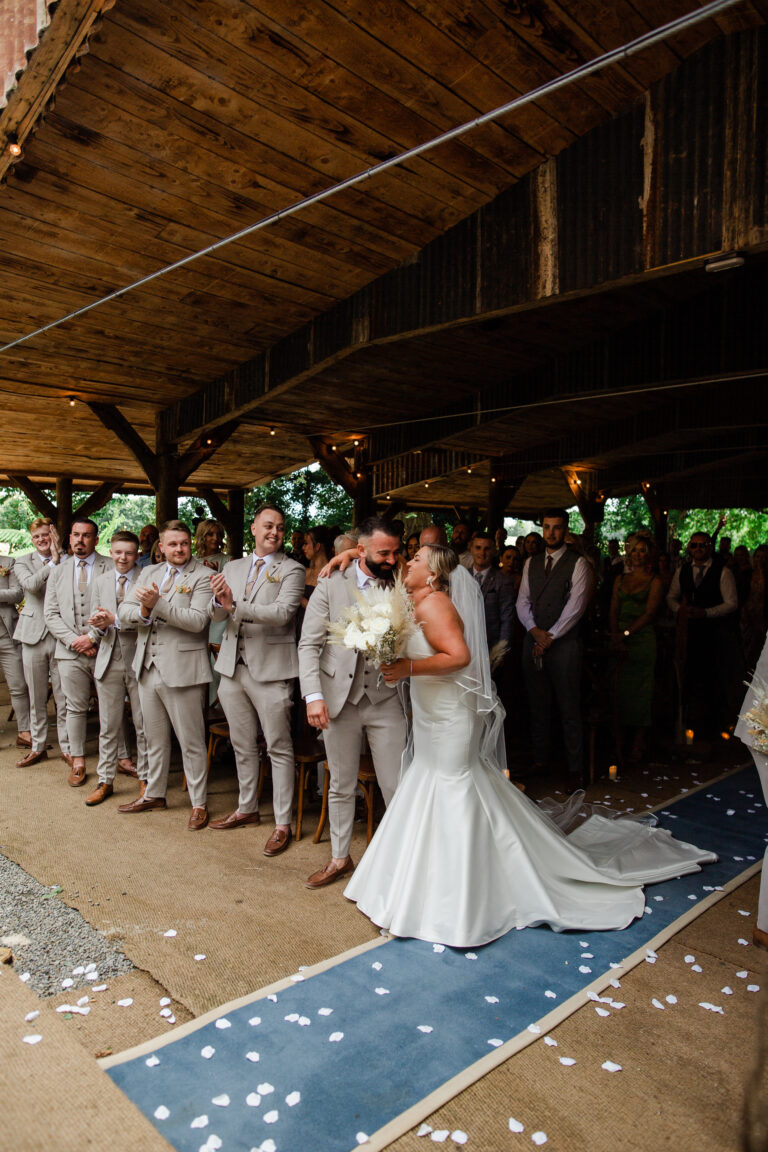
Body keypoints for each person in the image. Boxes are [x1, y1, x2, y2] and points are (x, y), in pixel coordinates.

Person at [344, 545, 715, 947]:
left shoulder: (437, 606)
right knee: (430, 779)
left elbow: (461, 657)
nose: (409, 562)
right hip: (432, 709)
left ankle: (461, 894)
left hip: (450, 716)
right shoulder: (412, 602)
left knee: (452, 784)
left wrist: (409, 667)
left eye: (417, 558)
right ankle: (414, 883)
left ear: (433, 574)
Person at [298, 516, 407, 889]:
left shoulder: (402, 581)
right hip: (337, 698)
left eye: (396, 551)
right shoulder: (331, 582)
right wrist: (313, 697)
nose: (392, 559)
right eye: (384, 552)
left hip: (384, 697)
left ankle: (400, 865)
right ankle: (339, 858)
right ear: (360, 550)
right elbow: (308, 644)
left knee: (396, 783)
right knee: (340, 783)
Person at [208, 504, 305, 855]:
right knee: (241, 743)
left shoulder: (292, 569)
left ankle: (282, 823)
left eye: (280, 527)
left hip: (273, 670)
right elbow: (217, 611)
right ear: (253, 528)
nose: (274, 533)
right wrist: (219, 603)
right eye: (268, 526)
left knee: (279, 747)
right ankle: (247, 808)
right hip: (233, 666)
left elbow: (281, 615)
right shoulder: (232, 567)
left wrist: (234, 606)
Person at [116, 520, 213, 830]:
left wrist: (157, 604)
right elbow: (124, 612)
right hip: (147, 666)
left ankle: (199, 803)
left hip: (184, 669)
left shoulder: (204, 576)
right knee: (153, 737)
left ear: (190, 544)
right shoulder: (149, 573)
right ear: (161, 547)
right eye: (172, 544)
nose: (179, 549)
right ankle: (154, 793)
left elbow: (197, 621)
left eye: (183, 543)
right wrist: (144, 612)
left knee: (191, 741)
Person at [516, 509, 591, 784]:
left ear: (566, 529)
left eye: (557, 527)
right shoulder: (530, 563)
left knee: (569, 707)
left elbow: (576, 607)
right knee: (537, 705)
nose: (551, 533)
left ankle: (575, 770)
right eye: (547, 527)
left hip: (564, 645)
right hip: (533, 640)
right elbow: (522, 602)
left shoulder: (578, 563)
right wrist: (535, 632)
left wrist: (550, 637)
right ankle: (540, 761)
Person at [43, 517, 113, 788]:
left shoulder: (109, 565)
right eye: (75, 535)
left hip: (104, 647)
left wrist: (93, 637)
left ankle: (119, 756)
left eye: (86, 535)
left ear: (95, 539)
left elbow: (114, 605)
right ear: (68, 539)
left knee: (110, 707)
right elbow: (50, 613)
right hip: (69, 651)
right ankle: (78, 760)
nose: (80, 540)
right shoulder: (58, 571)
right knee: (73, 707)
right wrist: (75, 641)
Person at [85, 531, 148, 806]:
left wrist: (116, 620)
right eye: (118, 552)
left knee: (144, 725)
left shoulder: (147, 579)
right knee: (108, 726)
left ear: (137, 554)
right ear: (110, 552)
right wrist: (96, 627)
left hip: (139, 659)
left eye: (129, 553)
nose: (123, 558)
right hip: (108, 659)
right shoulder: (99, 581)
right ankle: (105, 780)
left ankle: (147, 780)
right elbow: (95, 622)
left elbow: (148, 620)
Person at [667, 530, 743, 737]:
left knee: (713, 677)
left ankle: (713, 725)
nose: (698, 549)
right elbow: (671, 597)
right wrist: (680, 611)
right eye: (694, 545)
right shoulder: (682, 571)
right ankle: (688, 722)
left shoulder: (723, 572)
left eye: (702, 545)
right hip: (688, 632)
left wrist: (707, 613)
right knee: (688, 676)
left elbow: (732, 603)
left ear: (709, 547)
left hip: (714, 633)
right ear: (689, 548)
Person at [13, 518, 70, 767]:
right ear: (32, 539)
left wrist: (61, 559)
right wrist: (54, 563)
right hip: (32, 634)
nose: (41, 540)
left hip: (61, 635)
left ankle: (68, 748)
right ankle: (38, 746)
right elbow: (31, 586)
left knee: (63, 695)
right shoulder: (23, 561)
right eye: (36, 536)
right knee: (36, 695)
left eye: (45, 534)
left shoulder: (70, 560)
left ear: (54, 535)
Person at [609, 537, 664, 762]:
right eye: (634, 551)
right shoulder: (620, 579)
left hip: (641, 640)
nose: (638, 554)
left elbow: (649, 613)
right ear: (629, 554)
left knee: (641, 692)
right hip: (619, 638)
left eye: (643, 551)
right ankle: (618, 742)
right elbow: (613, 608)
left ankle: (638, 743)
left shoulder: (655, 582)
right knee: (618, 691)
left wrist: (626, 634)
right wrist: (615, 635)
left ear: (649, 555)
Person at [0, 554, 31, 750]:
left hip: (7, 633)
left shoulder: (8, 563)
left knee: (19, 684)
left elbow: (18, 594)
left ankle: (25, 731)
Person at [468, 533, 514, 652]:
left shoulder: (503, 581)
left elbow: (507, 618)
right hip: (462, 643)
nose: (482, 553)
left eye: (487, 549)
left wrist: (500, 650)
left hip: (489, 646)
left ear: (494, 551)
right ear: (471, 549)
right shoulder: (461, 576)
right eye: (478, 548)